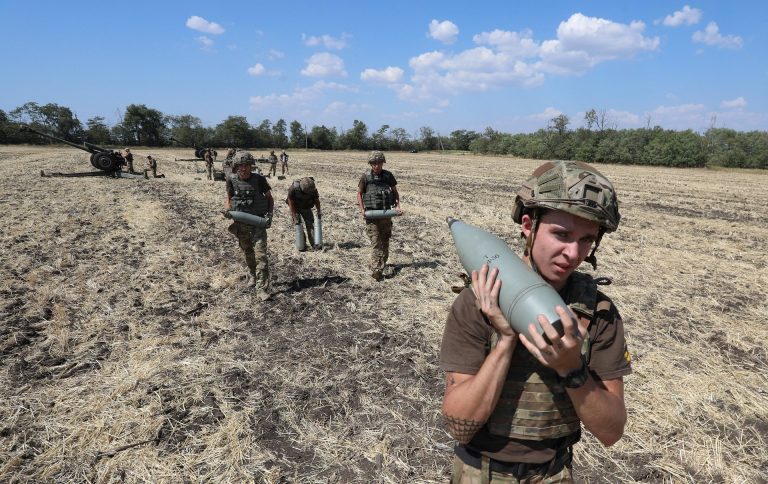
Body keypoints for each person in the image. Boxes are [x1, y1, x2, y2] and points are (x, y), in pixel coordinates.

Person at [440, 160, 631, 483]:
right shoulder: (477, 302)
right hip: (480, 472)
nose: (573, 253)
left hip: (554, 472)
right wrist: (505, 340)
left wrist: (572, 370)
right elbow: (460, 426)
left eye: (587, 239)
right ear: (528, 225)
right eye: (561, 234)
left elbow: (611, 431)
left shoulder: (597, 312)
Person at [225, 157, 274, 300]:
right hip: (240, 225)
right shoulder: (231, 180)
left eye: (247, 166)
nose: (244, 169)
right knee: (248, 253)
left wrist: (270, 215)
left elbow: (270, 198)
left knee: (261, 256)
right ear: (237, 167)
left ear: (251, 166)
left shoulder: (259, 180)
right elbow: (229, 198)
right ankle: (252, 274)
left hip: (257, 223)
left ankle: (261, 289)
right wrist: (228, 209)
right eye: (241, 166)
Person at [356, 151, 401, 281]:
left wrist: (397, 207)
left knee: (385, 242)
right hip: (371, 216)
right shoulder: (365, 177)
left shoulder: (388, 176)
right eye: (373, 163)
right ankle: (377, 269)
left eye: (379, 163)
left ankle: (382, 263)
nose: (376, 166)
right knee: (376, 242)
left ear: (382, 163)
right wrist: (362, 209)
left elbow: (395, 193)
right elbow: (359, 194)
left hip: (386, 215)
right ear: (370, 164)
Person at [286, 177, 321, 250]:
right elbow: (290, 202)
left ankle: (314, 244)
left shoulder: (312, 188)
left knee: (310, 224)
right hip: (295, 207)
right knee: (298, 225)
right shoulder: (293, 189)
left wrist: (319, 211)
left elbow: (316, 200)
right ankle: (302, 245)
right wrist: (294, 215)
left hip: (306, 207)